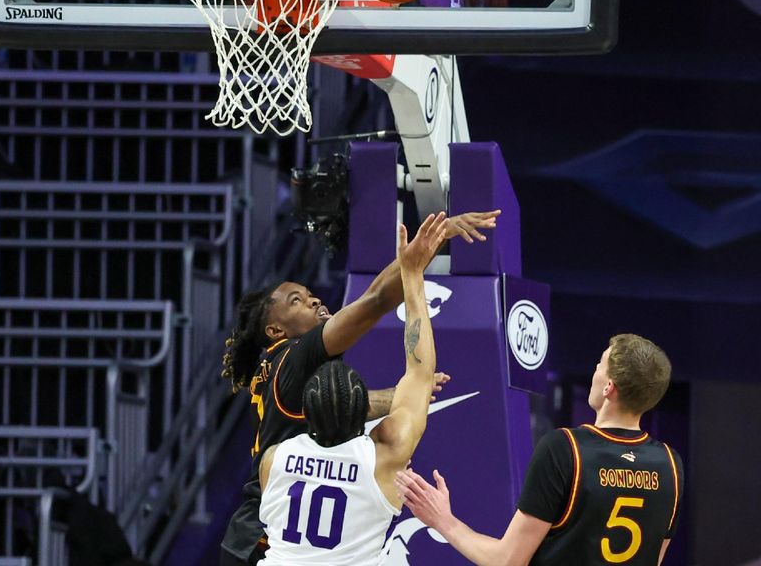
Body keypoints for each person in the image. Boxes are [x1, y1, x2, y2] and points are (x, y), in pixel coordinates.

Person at [220, 210, 501, 565]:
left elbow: (340, 405)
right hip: (260, 537)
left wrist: (397, 397)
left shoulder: (278, 373)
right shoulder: (295, 355)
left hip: (255, 530)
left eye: (309, 294)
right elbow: (375, 300)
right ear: (276, 331)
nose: (314, 300)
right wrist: (429, 244)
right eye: (297, 301)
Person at [256, 211, 447, 565]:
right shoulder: (383, 457)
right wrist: (413, 273)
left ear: (306, 412)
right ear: (363, 410)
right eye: (296, 300)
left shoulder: (274, 459)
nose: (312, 301)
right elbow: (419, 373)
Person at [395, 334, 684, 566]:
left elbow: (508, 560)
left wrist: (443, 520)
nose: (594, 370)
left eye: (600, 364)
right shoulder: (670, 465)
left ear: (609, 387)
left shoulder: (566, 448)